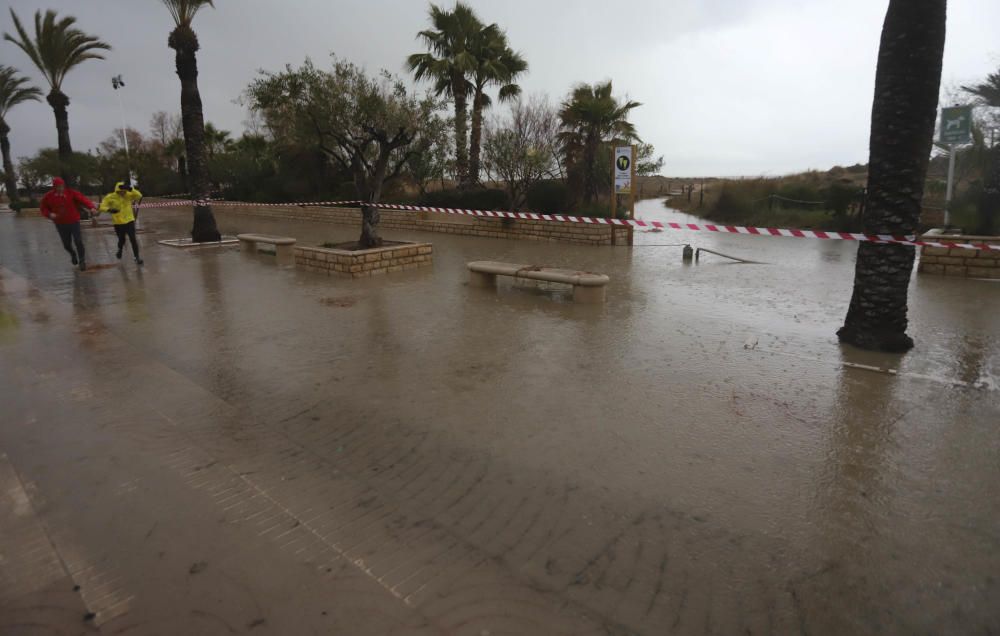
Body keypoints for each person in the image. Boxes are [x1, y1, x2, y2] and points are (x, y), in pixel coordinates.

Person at [39, 177, 98, 271]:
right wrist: (49, 214)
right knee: (66, 244)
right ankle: (72, 254)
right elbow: (43, 208)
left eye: (61, 186)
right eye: (58, 186)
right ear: (54, 187)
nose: (60, 188)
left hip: (74, 221)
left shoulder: (71, 193)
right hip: (60, 223)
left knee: (78, 241)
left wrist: (91, 207)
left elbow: (83, 199)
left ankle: (82, 261)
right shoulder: (48, 196)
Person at [100, 181, 144, 265]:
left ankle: (137, 257)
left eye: (125, 191)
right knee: (122, 240)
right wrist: (109, 210)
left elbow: (139, 196)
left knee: (133, 239)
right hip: (118, 222)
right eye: (122, 191)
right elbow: (102, 206)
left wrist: (131, 189)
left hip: (129, 220)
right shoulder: (110, 197)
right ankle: (119, 250)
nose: (123, 193)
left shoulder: (129, 195)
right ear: (117, 190)